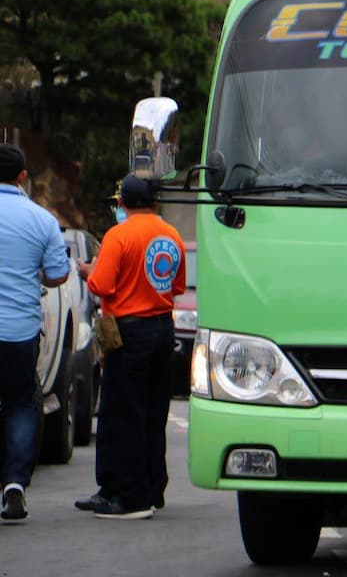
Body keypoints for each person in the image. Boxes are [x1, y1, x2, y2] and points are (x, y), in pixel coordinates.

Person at [75, 173, 185, 520]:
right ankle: (152, 487)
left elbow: (102, 285)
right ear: (154, 203)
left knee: (122, 412)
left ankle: (129, 496)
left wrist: (88, 272)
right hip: (162, 328)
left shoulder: (118, 235)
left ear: (122, 204)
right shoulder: (171, 234)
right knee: (153, 411)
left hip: (128, 330)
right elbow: (176, 285)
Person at [0, 144, 71, 524]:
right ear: (23, 176)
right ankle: (14, 485)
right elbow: (58, 275)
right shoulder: (41, 219)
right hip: (17, 331)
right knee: (21, 403)